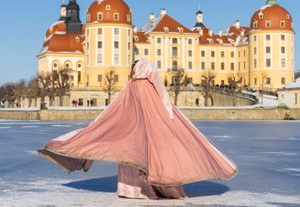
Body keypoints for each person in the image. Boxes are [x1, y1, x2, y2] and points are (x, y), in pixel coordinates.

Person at [38, 59, 237, 199]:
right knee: (157, 157)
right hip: (154, 133)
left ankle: (129, 190)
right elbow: (165, 102)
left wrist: (97, 127)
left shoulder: (130, 87)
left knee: (131, 156)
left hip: (130, 136)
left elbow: (113, 110)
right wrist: (171, 118)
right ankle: (161, 188)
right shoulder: (151, 88)